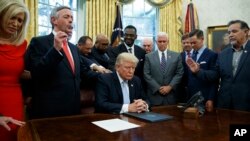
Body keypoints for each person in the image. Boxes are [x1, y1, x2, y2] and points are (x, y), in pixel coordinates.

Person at [25, 6, 96, 119]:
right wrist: (55, 50)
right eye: (66, 16)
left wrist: (110, 76)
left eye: (72, 17)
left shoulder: (74, 48)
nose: (71, 20)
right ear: (54, 20)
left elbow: (82, 73)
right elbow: (37, 72)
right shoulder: (38, 42)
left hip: (74, 110)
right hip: (49, 111)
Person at [186, 20, 250, 112]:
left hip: (246, 105)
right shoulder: (223, 54)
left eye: (234, 31)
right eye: (229, 32)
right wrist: (198, 71)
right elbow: (215, 75)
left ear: (246, 32)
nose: (230, 35)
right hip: (225, 104)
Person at [0, 0, 29, 140]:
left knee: (14, 135)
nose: (16, 24)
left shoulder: (22, 44)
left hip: (15, 100)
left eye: (20, 20)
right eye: (12, 17)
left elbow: (21, 72)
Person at [144, 32, 183, 106]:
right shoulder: (148, 57)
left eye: (164, 41)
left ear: (168, 42)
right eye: (160, 41)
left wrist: (170, 86)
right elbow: (146, 74)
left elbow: (179, 73)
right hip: (154, 96)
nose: (162, 43)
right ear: (156, 42)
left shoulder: (176, 56)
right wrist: (158, 88)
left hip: (171, 96)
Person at [186, 29, 218, 112]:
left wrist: (211, 99)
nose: (192, 45)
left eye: (194, 42)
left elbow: (214, 79)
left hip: (205, 97)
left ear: (202, 39)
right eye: (190, 43)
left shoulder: (212, 54)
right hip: (191, 98)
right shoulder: (190, 55)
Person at [177, 34, 193, 103]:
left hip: (195, 89)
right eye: (184, 43)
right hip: (182, 91)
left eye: (188, 42)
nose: (186, 44)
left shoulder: (197, 54)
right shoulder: (178, 56)